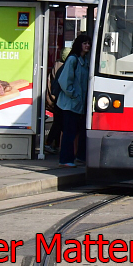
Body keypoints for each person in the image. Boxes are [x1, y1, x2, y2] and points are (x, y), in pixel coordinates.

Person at [57, 34, 90, 167]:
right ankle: (65, 160)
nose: (87, 45)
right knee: (69, 133)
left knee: (78, 132)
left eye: (88, 43)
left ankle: (78, 157)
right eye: (84, 43)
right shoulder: (73, 60)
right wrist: (74, 95)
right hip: (70, 104)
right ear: (79, 44)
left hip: (78, 104)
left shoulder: (85, 61)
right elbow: (64, 81)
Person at [44, 46, 72, 154]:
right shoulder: (64, 67)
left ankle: (55, 145)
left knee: (58, 122)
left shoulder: (57, 65)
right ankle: (49, 143)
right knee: (59, 123)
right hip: (60, 99)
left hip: (56, 98)